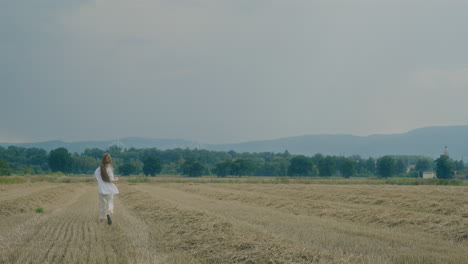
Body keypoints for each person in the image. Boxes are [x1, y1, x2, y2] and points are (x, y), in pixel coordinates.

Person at [94, 153, 119, 225]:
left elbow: (95, 177)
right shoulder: (109, 169)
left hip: (101, 189)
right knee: (110, 203)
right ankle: (108, 213)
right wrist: (116, 179)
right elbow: (110, 180)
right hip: (109, 189)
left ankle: (102, 221)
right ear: (109, 160)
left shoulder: (98, 169)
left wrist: (100, 182)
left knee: (102, 204)